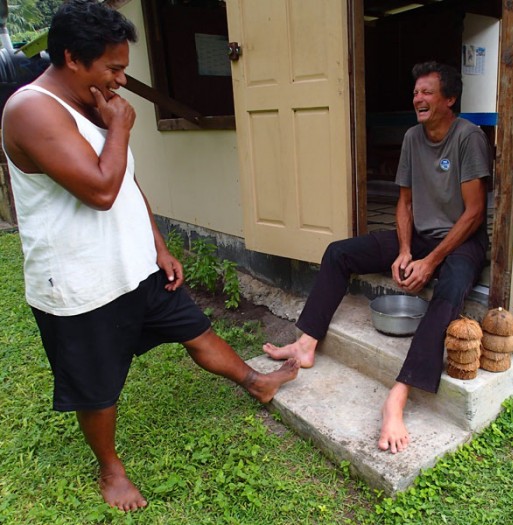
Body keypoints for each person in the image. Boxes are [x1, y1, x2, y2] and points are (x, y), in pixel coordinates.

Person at [1, 0, 299, 512]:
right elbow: (99, 189)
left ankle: (256, 383)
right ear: (72, 57)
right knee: (98, 388)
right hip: (80, 282)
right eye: (113, 68)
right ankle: (110, 470)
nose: (120, 80)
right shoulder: (31, 110)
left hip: (135, 264)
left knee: (195, 329)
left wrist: (158, 245)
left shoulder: (92, 101)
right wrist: (119, 127)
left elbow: (126, 180)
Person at [264, 61, 491, 454]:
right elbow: (404, 203)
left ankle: (398, 397)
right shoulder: (411, 138)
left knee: (451, 288)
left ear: (449, 99)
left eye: (427, 92)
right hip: (420, 235)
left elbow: (474, 212)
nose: (418, 98)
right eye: (416, 91)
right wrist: (404, 251)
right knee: (339, 253)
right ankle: (306, 342)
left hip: (462, 240)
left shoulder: (468, 138)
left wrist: (431, 261)